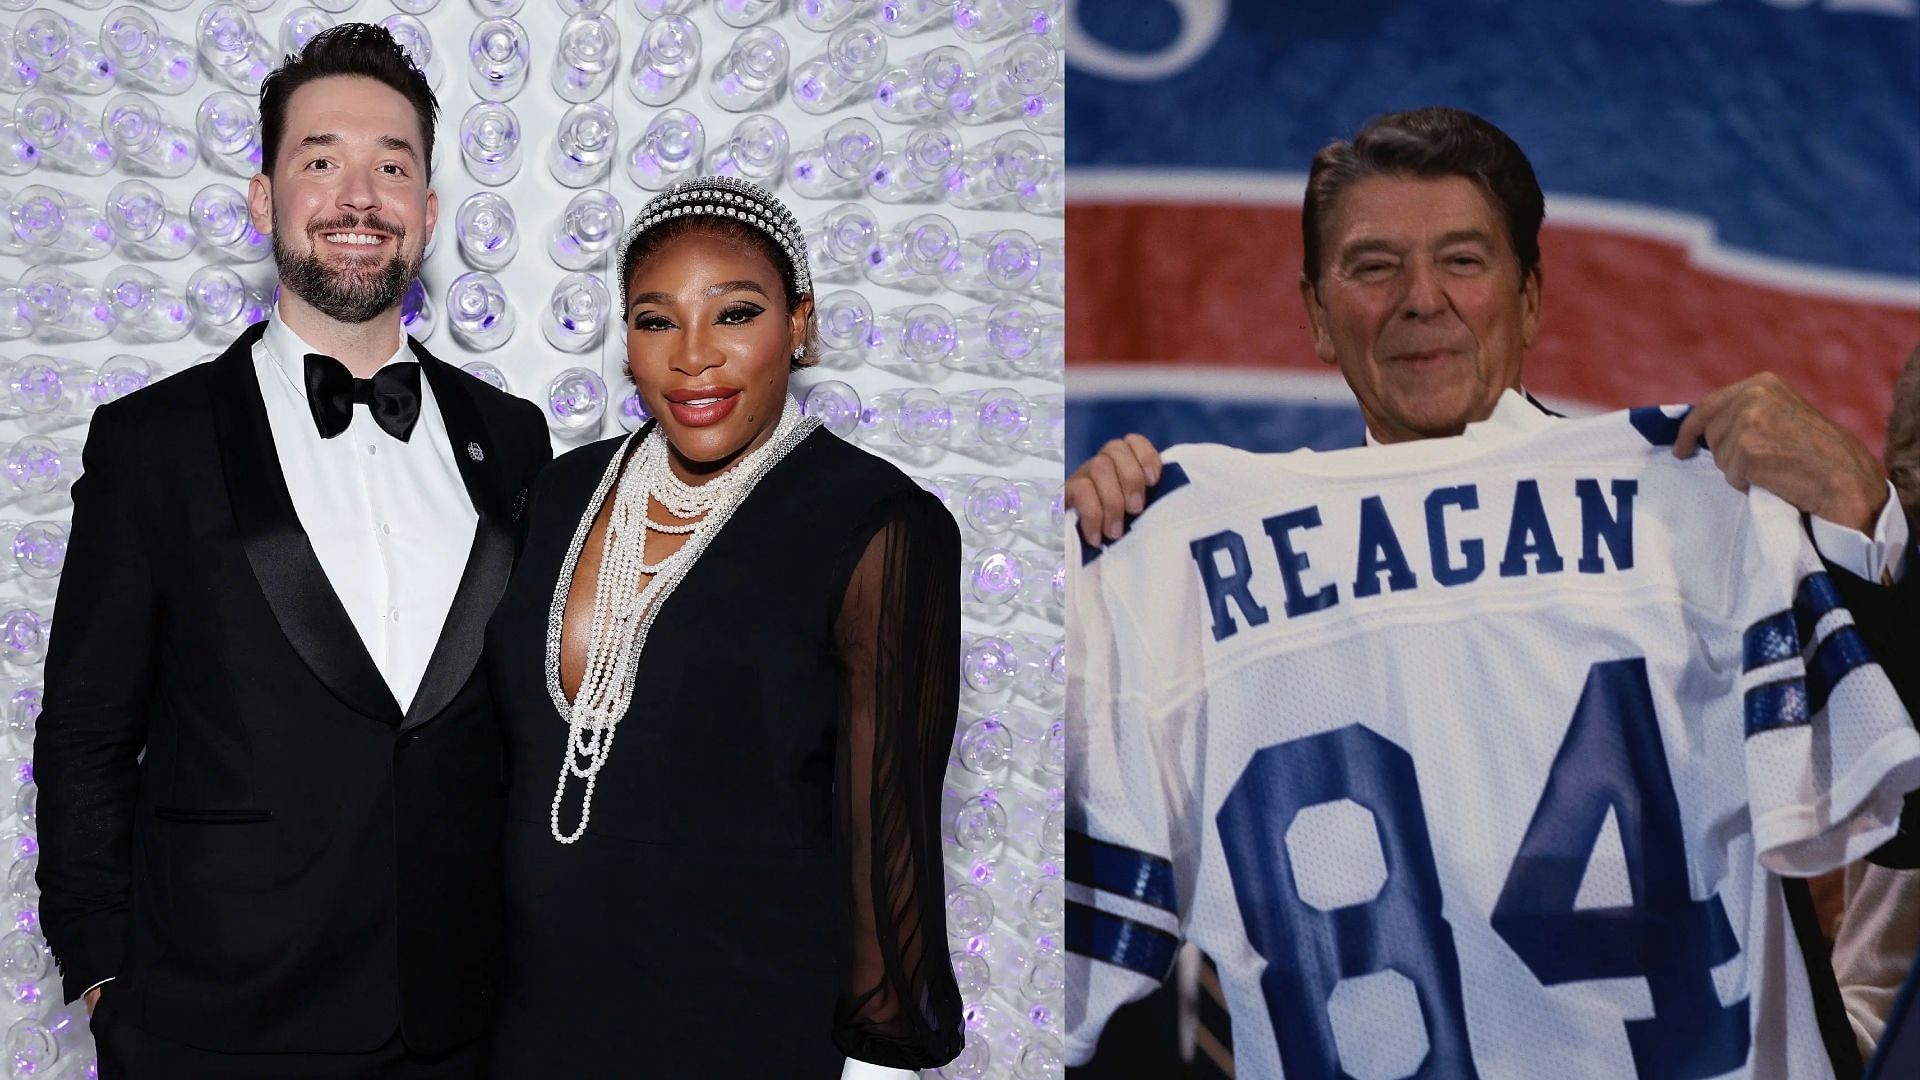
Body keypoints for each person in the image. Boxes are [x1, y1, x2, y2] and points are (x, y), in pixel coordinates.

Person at [1065, 107, 1919, 1076]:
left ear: (1531, 299)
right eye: (1372, 266)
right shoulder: (1179, 551)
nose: (1420, 299)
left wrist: (1866, 519)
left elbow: (1911, 822)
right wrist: (1084, 574)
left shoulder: (1702, 505)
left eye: (1462, 261)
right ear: (1313, 313)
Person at [32, 25, 550, 1077]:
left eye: (392, 166)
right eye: (322, 160)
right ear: (265, 199)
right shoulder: (151, 444)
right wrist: (104, 975)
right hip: (215, 1022)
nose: (360, 196)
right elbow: (86, 731)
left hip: (464, 1023)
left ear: (429, 213)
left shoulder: (517, 437)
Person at [484, 176, 965, 1078]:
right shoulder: (557, 495)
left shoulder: (877, 525)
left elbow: (890, 835)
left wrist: (884, 1062)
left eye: (734, 313)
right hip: (536, 1029)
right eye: (657, 319)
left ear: (801, 322)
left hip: (749, 1030)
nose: (693, 357)